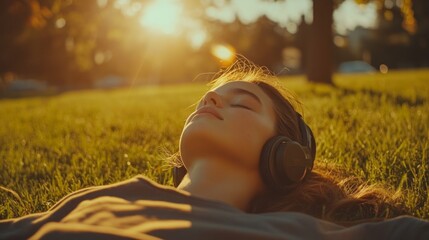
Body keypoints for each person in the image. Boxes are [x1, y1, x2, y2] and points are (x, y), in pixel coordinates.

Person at [0, 61, 428, 240]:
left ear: (287, 157)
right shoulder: (106, 196)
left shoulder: (291, 229)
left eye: (241, 102)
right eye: (208, 97)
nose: (211, 100)